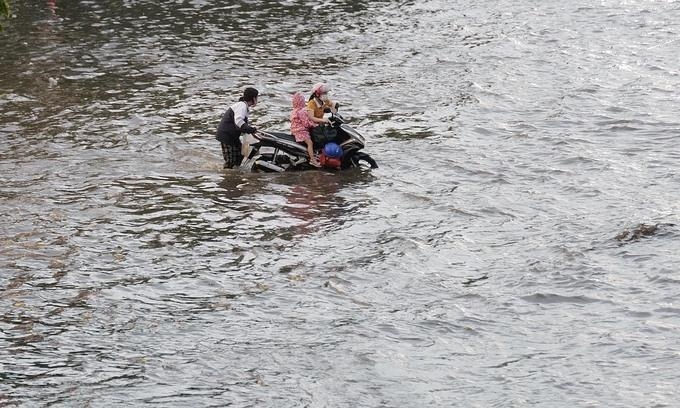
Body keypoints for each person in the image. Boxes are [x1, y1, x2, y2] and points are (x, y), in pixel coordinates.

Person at [215, 87, 259, 168]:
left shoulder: (243, 106)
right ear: (253, 98)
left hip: (232, 136)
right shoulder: (241, 105)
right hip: (226, 136)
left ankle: (236, 174)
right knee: (231, 161)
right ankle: (228, 176)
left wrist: (250, 130)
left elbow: (240, 125)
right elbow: (238, 121)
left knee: (241, 154)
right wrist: (251, 129)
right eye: (257, 97)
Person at [291, 92, 328, 167]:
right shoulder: (302, 111)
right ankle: (313, 160)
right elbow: (306, 123)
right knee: (310, 143)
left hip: (294, 130)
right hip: (301, 131)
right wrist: (315, 124)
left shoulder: (294, 111)